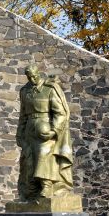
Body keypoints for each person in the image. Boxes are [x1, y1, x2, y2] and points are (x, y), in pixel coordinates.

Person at [16, 64, 74, 200]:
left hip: (46, 127)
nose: (32, 79)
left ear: (39, 73)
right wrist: (19, 133)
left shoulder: (49, 89)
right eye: (29, 77)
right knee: (28, 159)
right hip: (30, 128)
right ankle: (30, 192)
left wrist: (54, 130)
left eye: (34, 76)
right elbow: (23, 115)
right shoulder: (25, 91)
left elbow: (60, 113)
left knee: (43, 154)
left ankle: (47, 186)